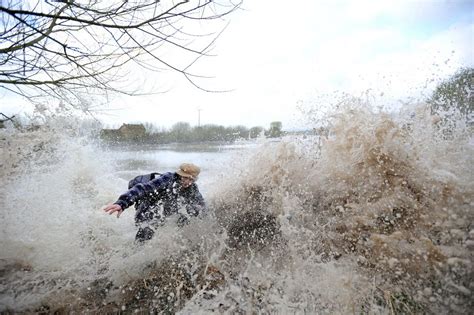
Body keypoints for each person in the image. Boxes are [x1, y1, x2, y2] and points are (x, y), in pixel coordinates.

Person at [104, 163, 206, 243]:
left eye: (191, 179)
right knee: (147, 230)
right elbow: (142, 189)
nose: (188, 182)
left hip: (164, 210)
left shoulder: (192, 188)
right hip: (147, 208)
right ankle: (135, 253)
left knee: (187, 216)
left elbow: (201, 204)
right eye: (185, 177)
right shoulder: (167, 179)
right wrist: (122, 203)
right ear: (180, 175)